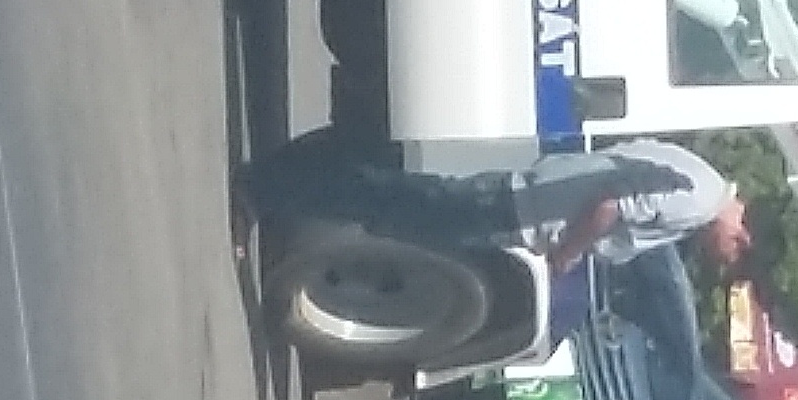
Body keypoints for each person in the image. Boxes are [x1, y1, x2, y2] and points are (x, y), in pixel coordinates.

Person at [233, 127, 751, 276]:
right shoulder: (697, 200)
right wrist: (566, 256)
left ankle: (279, 184)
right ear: (742, 237)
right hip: (523, 208)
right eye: (732, 258)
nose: (720, 261)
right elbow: (610, 204)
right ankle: (264, 190)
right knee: (388, 203)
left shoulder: (698, 176)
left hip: (527, 195)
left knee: (390, 196)